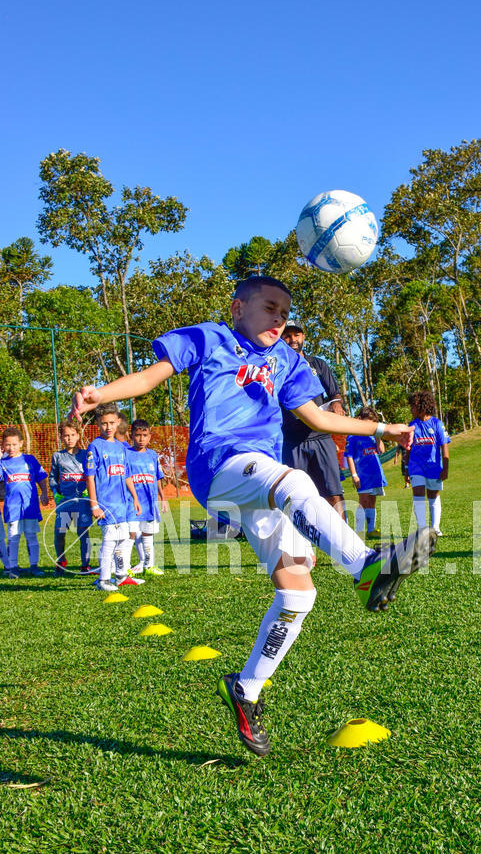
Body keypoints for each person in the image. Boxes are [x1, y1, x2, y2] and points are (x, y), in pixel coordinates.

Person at [71, 275, 436, 757]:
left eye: (285, 312)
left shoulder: (287, 360)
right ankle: (365, 565)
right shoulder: (209, 337)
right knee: (295, 482)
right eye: (270, 307)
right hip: (219, 464)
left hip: (258, 481)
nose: (279, 319)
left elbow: (320, 419)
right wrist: (103, 394)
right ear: (238, 306)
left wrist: (384, 428)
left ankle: (245, 689)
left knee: (298, 592)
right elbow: (150, 375)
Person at [280, 319, 347, 518]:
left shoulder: (318, 364)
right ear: (281, 337)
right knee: (296, 497)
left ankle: (346, 538)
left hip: (321, 437)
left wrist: (336, 403)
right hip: (292, 442)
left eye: (296, 335)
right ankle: (301, 542)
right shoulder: (276, 366)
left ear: (303, 337)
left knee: (333, 493)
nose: (292, 339)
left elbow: (335, 393)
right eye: (288, 335)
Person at [84, 403, 143, 591]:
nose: (108, 427)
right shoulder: (95, 446)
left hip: (123, 504)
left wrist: (134, 497)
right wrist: (94, 505)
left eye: (111, 423)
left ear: (118, 422)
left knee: (123, 539)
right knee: (109, 540)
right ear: (98, 424)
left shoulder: (121, 447)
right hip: (106, 504)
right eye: (103, 423)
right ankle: (103, 580)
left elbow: (126, 475)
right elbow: (90, 477)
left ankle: (120, 575)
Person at [0, 427, 49, 578]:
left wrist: (44, 493)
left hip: (30, 506)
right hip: (13, 506)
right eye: (8, 445)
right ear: (3, 445)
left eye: (14, 444)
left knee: (31, 536)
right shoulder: (2, 463)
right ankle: (13, 567)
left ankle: (34, 565)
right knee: (13, 536)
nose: (11, 448)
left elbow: (41, 477)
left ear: (21, 443)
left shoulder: (30, 459)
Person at [123, 418, 169, 577]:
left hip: (150, 503)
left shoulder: (152, 455)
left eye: (144, 435)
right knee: (132, 534)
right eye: (137, 435)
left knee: (148, 534)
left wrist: (163, 498)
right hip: (132, 503)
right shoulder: (126, 454)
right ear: (131, 436)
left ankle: (149, 565)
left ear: (150, 436)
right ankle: (126, 567)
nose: (141, 439)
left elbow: (157, 477)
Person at [49, 418, 93, 575]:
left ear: (78, 435)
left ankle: (85, 565)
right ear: (61, 437)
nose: (70, 438)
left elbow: (92, 476)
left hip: (83, 502)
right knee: (59, 532)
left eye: (73, 435)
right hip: (65, 502)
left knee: (83, 533)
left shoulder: (86, 455)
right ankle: (61, 561)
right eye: (66, 435)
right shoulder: (57, 456)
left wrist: (89, 491)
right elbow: (53, 477)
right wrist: (56, 494)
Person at [407, 391, 450, 537]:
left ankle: (435, 527)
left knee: (433, 495)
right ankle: (422, 528)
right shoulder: (412, 425)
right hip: (416, 466)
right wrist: (406, 469)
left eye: (413, 406)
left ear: (421, 406)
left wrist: (445, 467)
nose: (411, 410)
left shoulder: (437, 424)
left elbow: (444, 446)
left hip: (433, 467)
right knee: (418, 493)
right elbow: (408, 448)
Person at [345, 406, 387, 539]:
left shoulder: (372, 436)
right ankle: (358, 531)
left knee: (372, 501)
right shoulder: (352, 437)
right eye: (368, 422)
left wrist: (378, 437)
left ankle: (371, 530)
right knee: (363, 501)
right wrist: (354, 475)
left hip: (375, 473)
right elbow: (349, 456)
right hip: (362, 475)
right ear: (359, 419)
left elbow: (381, 450)